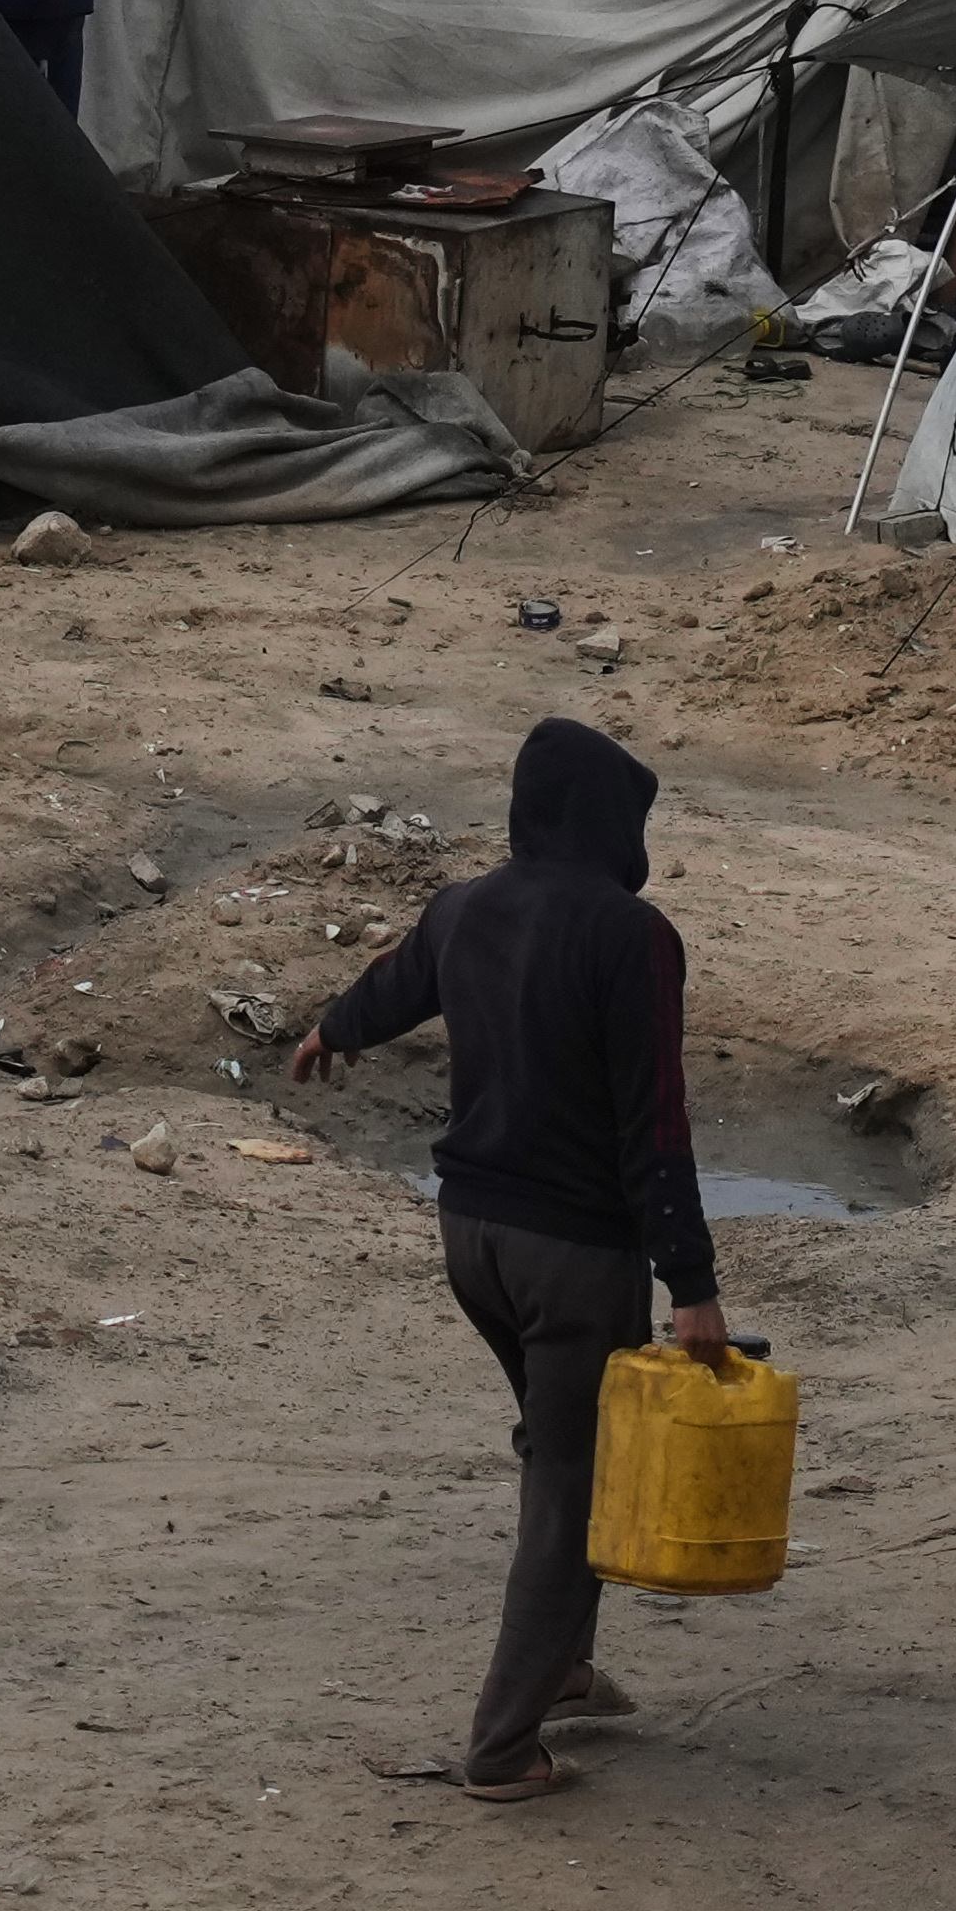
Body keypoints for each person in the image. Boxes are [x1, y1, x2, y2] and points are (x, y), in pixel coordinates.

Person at [288, 719, 723, 1806]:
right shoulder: (633, 937)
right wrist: (693, 1288)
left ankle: (565, 1666)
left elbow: (395, 982)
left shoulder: (467, 906)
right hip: (574, 1255)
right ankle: (501, 1746)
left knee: (560, 1442)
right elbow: (654, 1126)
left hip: (470, 1237)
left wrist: (331, 1031)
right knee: (570, 1490)